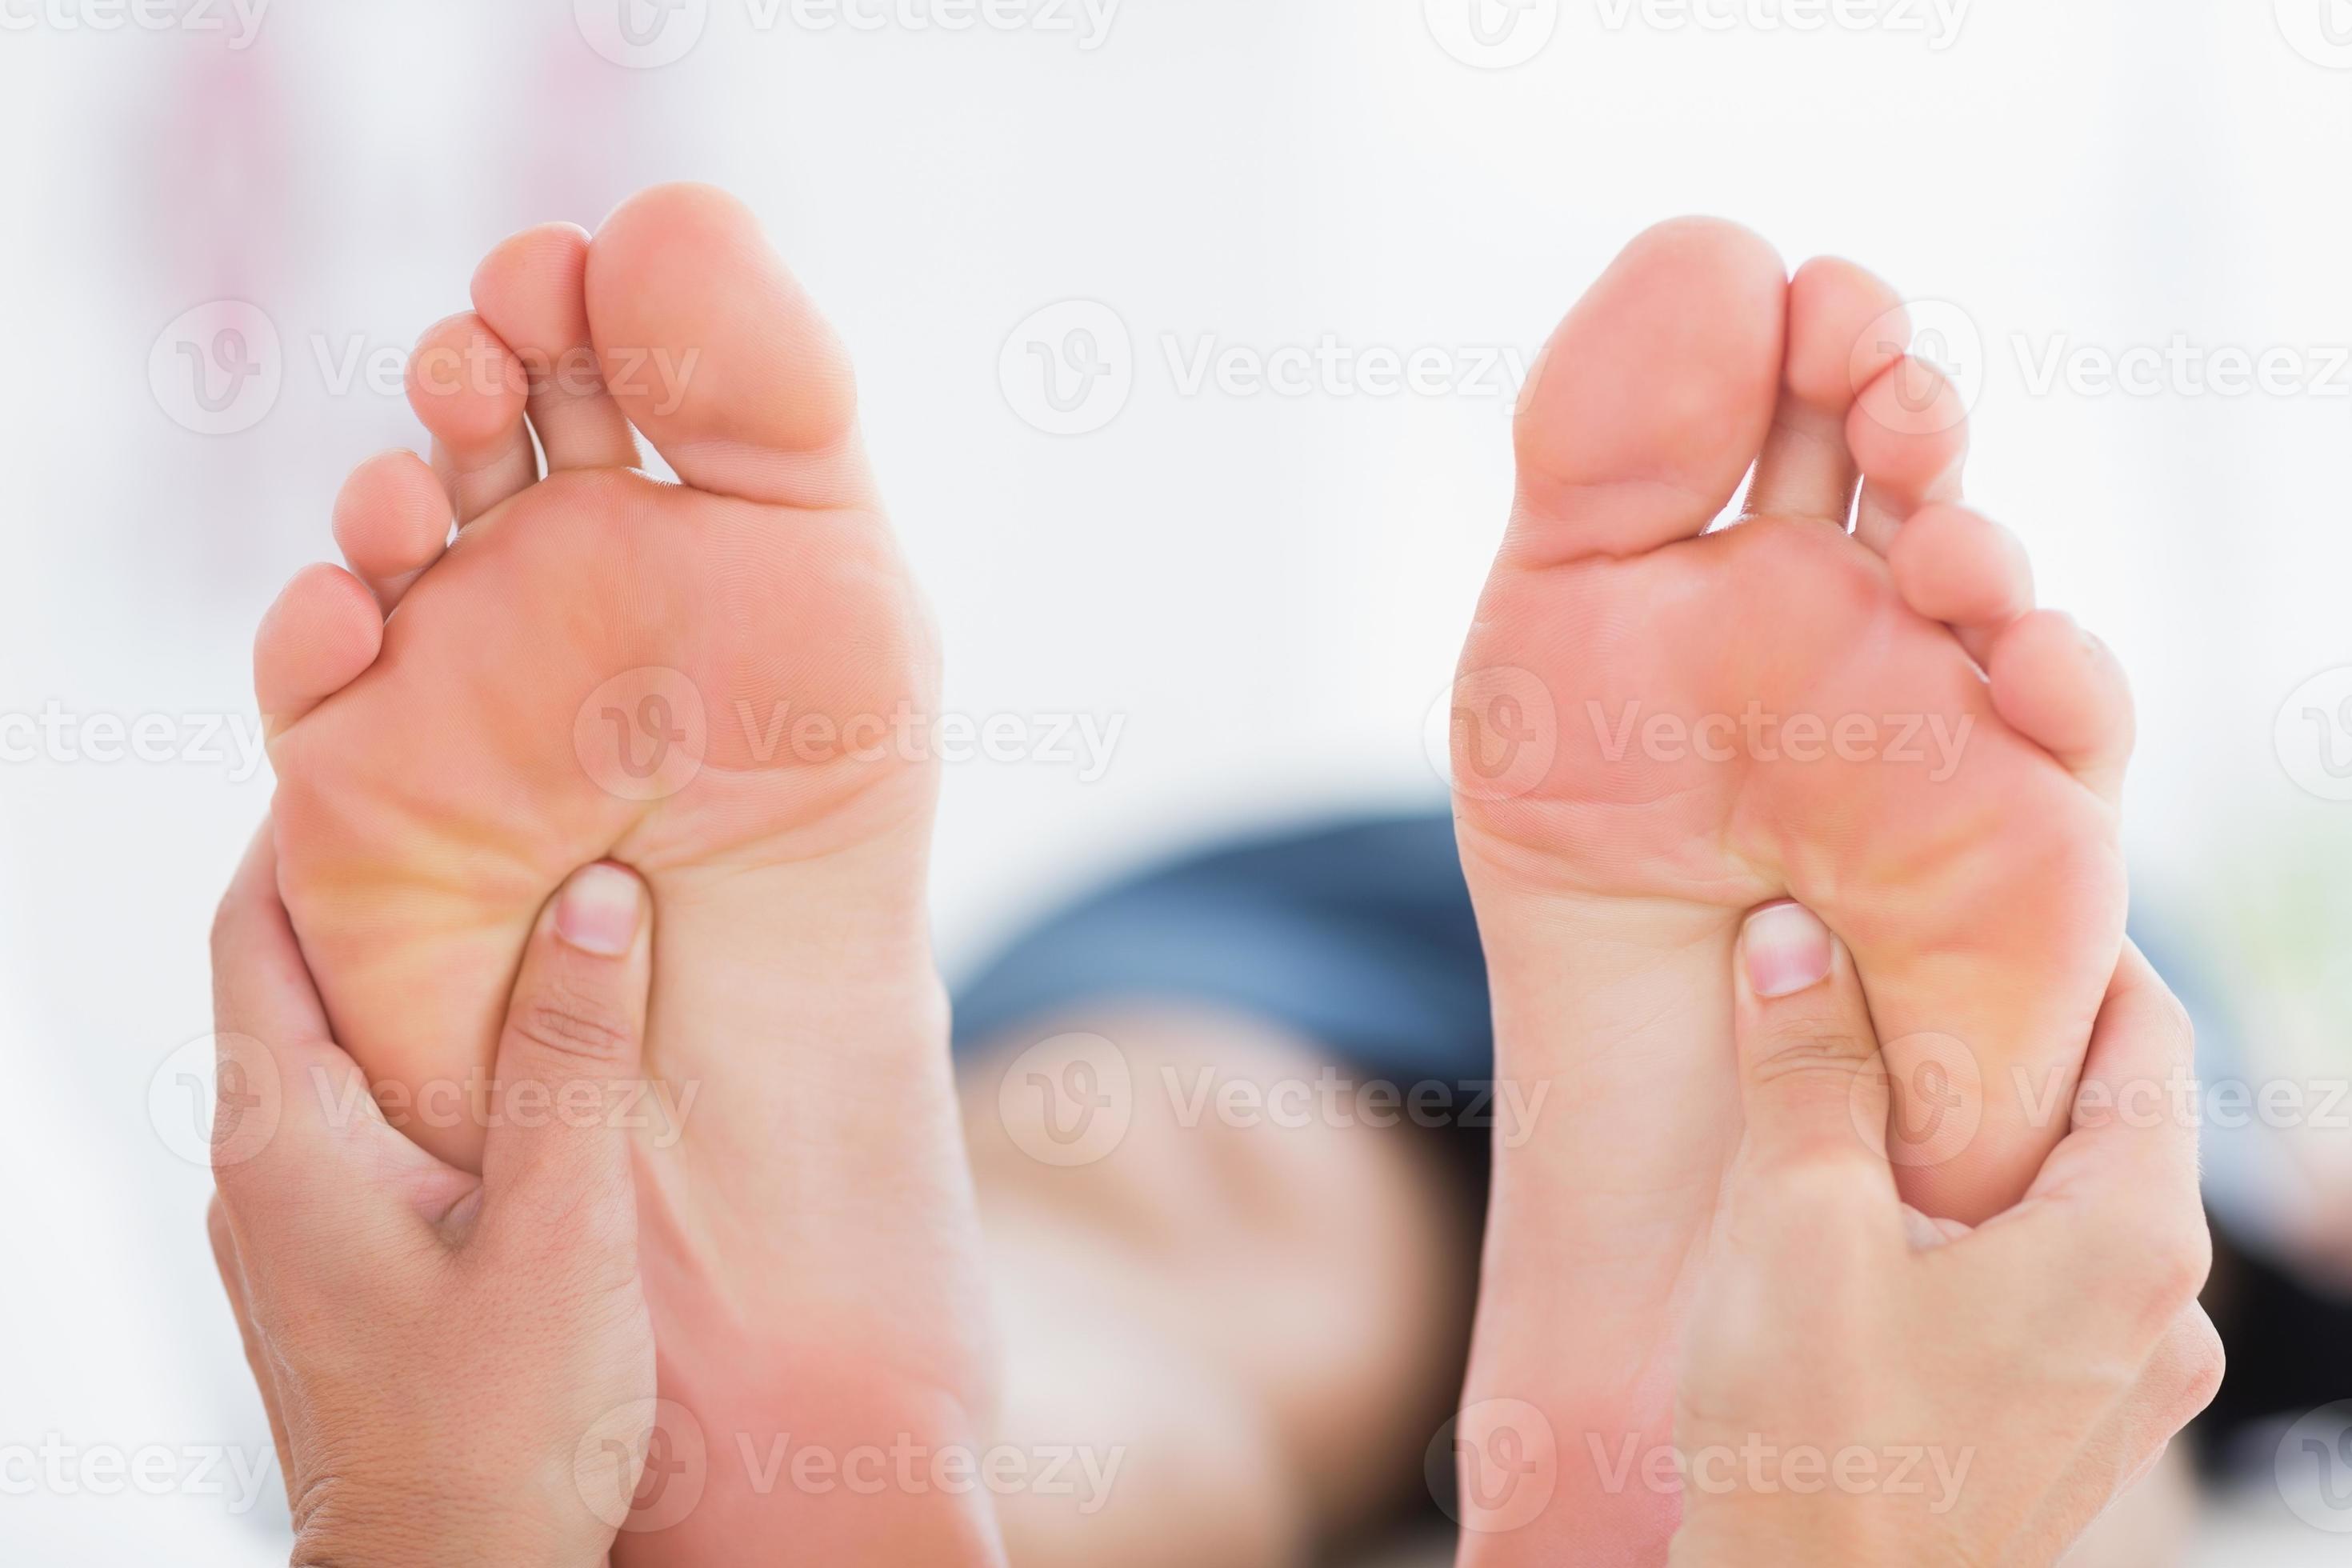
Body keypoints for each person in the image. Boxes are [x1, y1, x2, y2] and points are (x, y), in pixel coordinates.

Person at [213, 183, 2218, 1562]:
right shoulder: (2143, 1004)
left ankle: (808, 1469)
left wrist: (427, 1525)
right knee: (2042, 1339)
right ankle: (1800, 1444)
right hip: (1359, 950)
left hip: (1243, 993)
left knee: (1161, 1210)